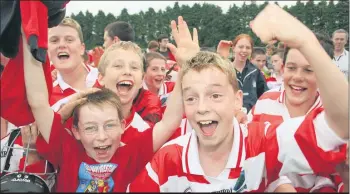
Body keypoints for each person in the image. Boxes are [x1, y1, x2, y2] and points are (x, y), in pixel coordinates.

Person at [129, 5, 348, 192]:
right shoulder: (168, 160)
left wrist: (305, 41)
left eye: (215, 95)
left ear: (237, 100)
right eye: (192, 98)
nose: (202, 107)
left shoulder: (261, 142)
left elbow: (341, 125)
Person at [23, 25, 184, 192]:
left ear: (122, 126)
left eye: (134, 67)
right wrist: (28, 38)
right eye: (118, 66)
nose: (101, 137)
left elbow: (169, 123)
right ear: (76, 130)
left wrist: (186, 65)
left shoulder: (135, 145)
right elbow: (38, 102)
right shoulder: (69, 141)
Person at [247, 4, 348, 192]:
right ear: (283, 68)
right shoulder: (265, 102)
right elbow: (249, 160)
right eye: (292, 68)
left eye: (309, 70)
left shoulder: (333, 113)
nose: (298, 77)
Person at [217, 35, 268, 113]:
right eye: (240, 47)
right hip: (231, 117)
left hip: (252, 118)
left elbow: (265, 96)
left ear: (251, 50)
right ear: (233, 48)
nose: (244, 50)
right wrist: (220, 58)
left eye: (248, 48)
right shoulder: (225, 70)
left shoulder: (255, 72)